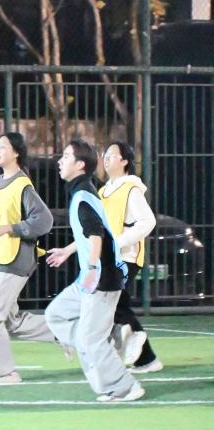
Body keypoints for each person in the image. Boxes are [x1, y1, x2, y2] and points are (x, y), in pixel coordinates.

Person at [45, 139, 144, 402]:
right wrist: (67, 251)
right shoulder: (84, 193)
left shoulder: (83, 197)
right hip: (90, 278)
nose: (59, 161)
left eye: (66, 156)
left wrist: (91, 267)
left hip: (101, 279)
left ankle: (125, 387)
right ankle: (100, 343)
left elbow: (96, 234)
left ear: (80, 165)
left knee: (91, 340)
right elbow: (90, 233)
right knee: (55, 314)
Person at [0, 132, 56, 384]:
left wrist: (9, 228)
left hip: (16, 260)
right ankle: (70, 331)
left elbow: (44, 221)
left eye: (2, 147)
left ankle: (6, 372)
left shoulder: (23, 185)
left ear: (16, 152)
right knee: (12, 321)